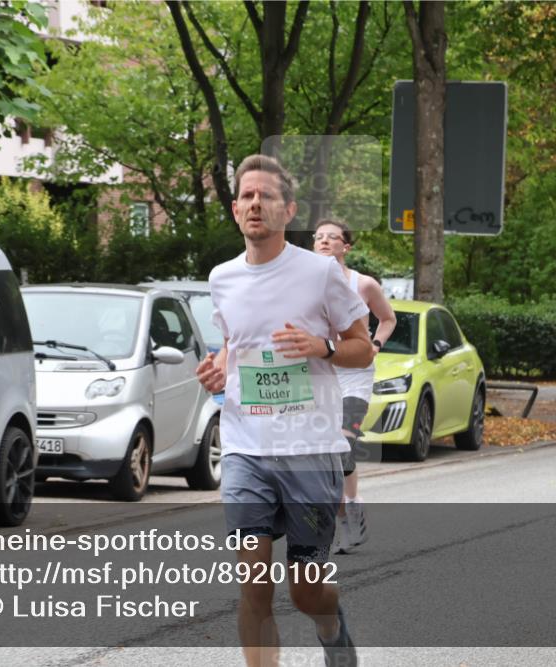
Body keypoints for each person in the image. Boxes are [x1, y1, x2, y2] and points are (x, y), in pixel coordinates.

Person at [197, 155, 372, 667]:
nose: (256, 203)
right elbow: (236, 343)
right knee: (253, 588)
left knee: (304, 592)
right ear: (235, 210)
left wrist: (322, 348)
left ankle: (331, 626)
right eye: (247, 196)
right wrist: (219, 368)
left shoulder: (319, 274)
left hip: (310, 449)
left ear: (288, 209)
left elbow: (361, 346)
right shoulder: (221, 278)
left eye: (266, 195)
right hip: (246, 448)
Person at [313, 219, 396, 554]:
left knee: (342, 445)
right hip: (322, 374)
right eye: (318, 237)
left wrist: (374, 343)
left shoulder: (363, 284)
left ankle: (351, 504)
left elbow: (388, 318)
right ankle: (344, 513)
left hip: (356, 375)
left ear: (346, 247)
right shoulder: (304, 282)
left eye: (332, 238)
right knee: (323, 452)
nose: (324, 242)